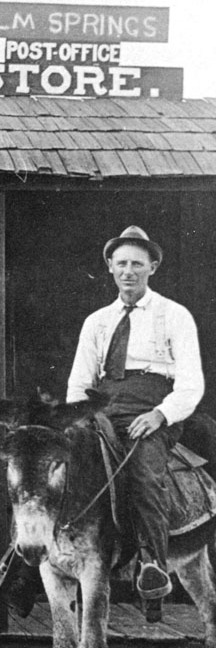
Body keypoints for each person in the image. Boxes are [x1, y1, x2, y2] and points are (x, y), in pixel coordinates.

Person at [66, 226, 204, 601]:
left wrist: (161, 415)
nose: (129, 271)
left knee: (143, 469)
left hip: (152, 407)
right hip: (102, 408)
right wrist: (81, 419)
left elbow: (192, 384)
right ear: (110, 267)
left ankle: (151, 564)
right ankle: (24, 563)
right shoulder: (96, 321)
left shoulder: (175, 316)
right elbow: (79, 381)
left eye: (137, 264)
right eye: (121, 263)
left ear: (153, 267)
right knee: (58, 463)